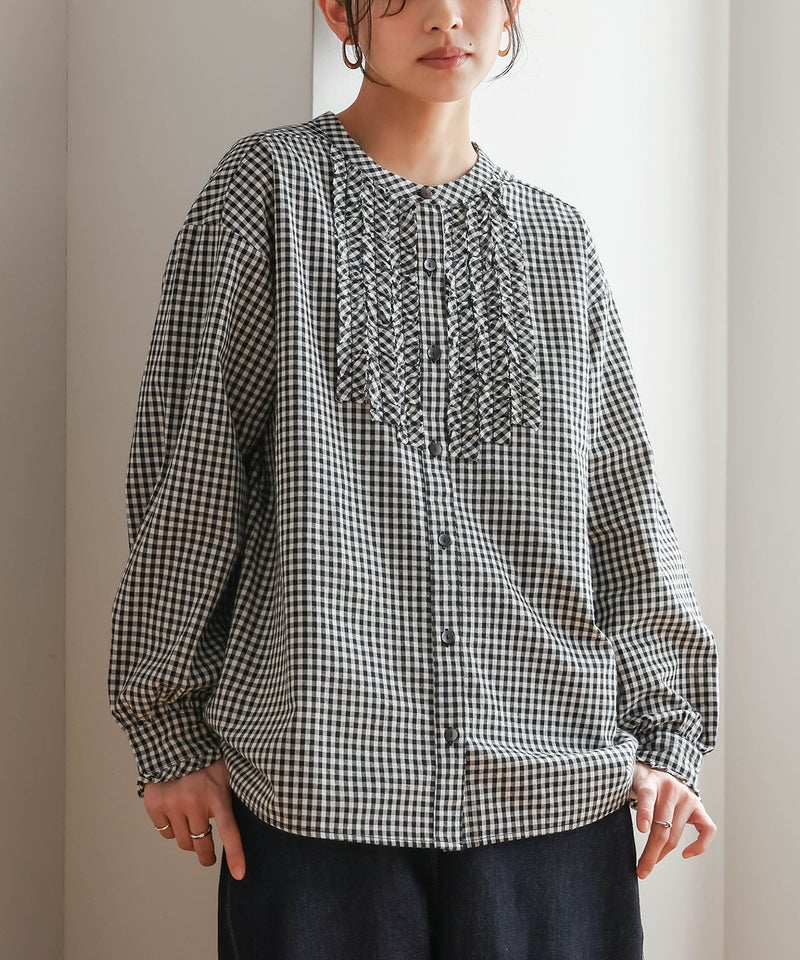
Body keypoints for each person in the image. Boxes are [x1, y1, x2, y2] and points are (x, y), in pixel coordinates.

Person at [108, 1, 719, 957]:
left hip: (553, 797)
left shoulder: (559, 242)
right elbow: (191, 469)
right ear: (337, 9)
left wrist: (668, 734)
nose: (445, 16)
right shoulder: (269, 191)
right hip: (322, 797)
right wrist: (168, 731)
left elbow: (622, 506)